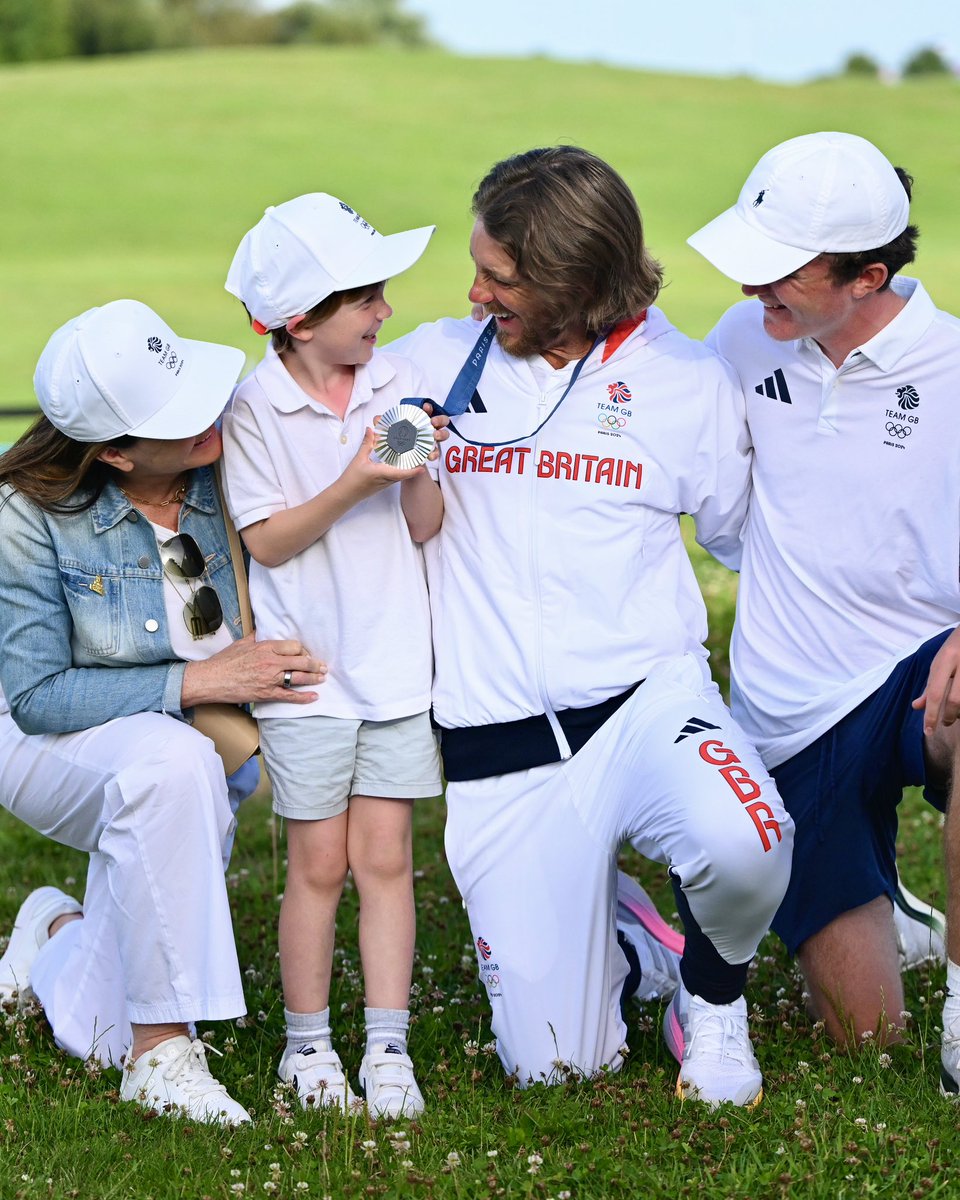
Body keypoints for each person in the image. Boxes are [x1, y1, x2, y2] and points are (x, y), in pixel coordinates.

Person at [391, 146, 794, 1108]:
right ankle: (626, 935)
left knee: (752, 838)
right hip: (502, 748)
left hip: (645, 706)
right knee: (560, 1067)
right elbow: (313, 430)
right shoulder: (425, 363)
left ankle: (709, 996)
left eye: (501, 278)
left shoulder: (688, 383)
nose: (476, 290)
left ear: (577, 284)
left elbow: (748, 541)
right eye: (480, 266)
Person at [0, 299, 327, 1124]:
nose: (208, 421)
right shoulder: (24, 514)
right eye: (177, 421)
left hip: (187, 744)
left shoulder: (224, 460)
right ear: (111, 452)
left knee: (92, 1027)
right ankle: (162, 1056)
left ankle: (57, 933)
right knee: (175, 766)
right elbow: (37, 695)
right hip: (37, 732)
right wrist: (201, 684)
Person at [687, 131, 960, 1090]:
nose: (756, 291)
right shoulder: (738, 339)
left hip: (923, 675)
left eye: (782, 274)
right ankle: (901, 911)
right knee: (867, 1041)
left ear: (868, 277)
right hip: (788, 720)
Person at [220, 193, 444, 1119]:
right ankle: (307, 1048)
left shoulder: (395, 387)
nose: (385, 311)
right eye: (367, 299)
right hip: (309, 681)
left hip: (395, 667)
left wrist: (419, 464)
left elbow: (425, 526)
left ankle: (387, 1048)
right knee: (317, 864)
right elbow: (268, 541)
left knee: (386, 857)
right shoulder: (254, 408)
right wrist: (357, 478)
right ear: (300, 322)